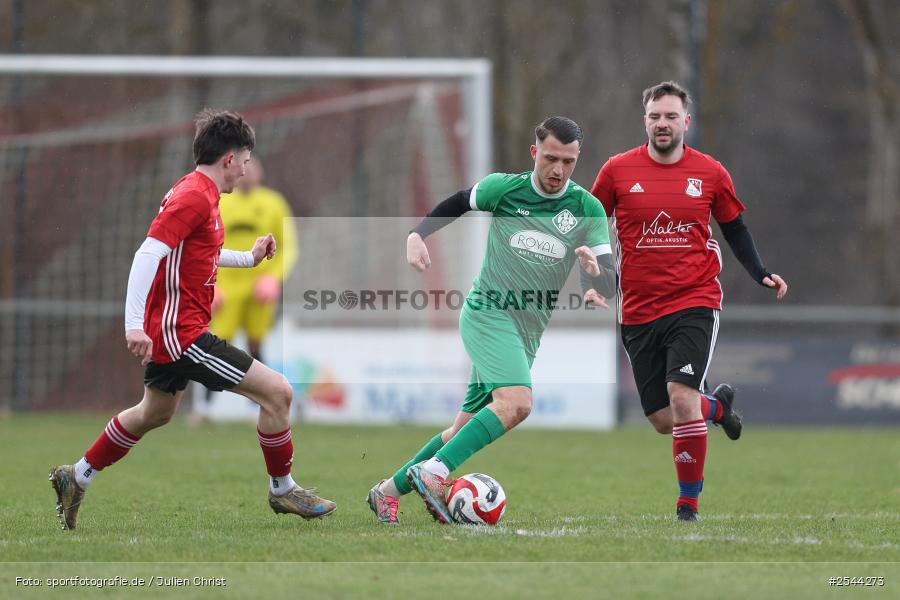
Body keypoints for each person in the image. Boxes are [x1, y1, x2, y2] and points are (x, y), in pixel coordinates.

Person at [49, 109, 335, 531]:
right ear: (227, 160)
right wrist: (133, 324)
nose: (246, 168)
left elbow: (197, 254)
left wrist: (249, 258)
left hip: (176, 329)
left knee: (155, 413)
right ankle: (282, 489)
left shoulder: (202, 192)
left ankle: (76, 476)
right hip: (180, 334)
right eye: (244, 158)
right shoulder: (194, 196)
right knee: (278, 393)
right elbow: (147, 254)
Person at [366, 116, 616, 525]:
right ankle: (435, 474)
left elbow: (608, 281)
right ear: (535, 152)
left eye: (568, 162)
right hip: (488, 312)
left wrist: (595, 278)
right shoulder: (506, 188)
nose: (558, 170)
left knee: (459, 432)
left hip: (526, 332)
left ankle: (386, 492)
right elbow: (458, 202)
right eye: (551, 158)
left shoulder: (587, 208)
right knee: (517, 403)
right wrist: (417, 234)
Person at [587, 81, 788, 522]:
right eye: (655, 116)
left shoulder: (710, 172)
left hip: (694, 298)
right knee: (663, 418)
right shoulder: (617, 171)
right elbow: (591, 225)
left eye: (671, 116)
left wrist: (760, 272)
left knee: (680, 397)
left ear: (686, 122)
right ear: (645, 120)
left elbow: (735, 228)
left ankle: (687, 507)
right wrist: (598, 277)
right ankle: (716, 407)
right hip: (638, 308)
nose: (663, 123)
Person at [190, 157, 298, 423]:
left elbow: (289, 247)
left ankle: (257, 407)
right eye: (243, 168)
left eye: (253, 168)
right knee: (216, 344)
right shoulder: (221, 202)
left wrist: (274, 278)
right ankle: (203, 408)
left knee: (255, 344)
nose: (247, 173)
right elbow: (204, 248)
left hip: (258, 289)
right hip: (226, 288)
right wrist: (210, 285)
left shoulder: (273, 203)